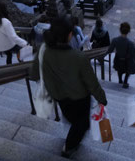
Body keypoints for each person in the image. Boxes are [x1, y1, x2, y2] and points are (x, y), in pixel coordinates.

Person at [30, 17, 107, 158]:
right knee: (82, 124)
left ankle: (72, 138)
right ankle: (69, 146)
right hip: (80, 98)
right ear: (69, 35)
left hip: (59, 96)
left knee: (74, 119)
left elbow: (34, 74)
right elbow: (92, 83)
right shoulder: (78, 57)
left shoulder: (44, 50)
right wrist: (101, 98)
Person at [107, 22, 135, 88]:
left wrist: (105, 53)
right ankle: (125, 82)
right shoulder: (130, 43)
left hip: (118, 59)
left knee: (119, 70)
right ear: (128, 31)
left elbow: (110, 50)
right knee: (128, 70)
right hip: (127, 60)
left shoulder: (115, 40)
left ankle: (120, 80)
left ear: (120, 30)